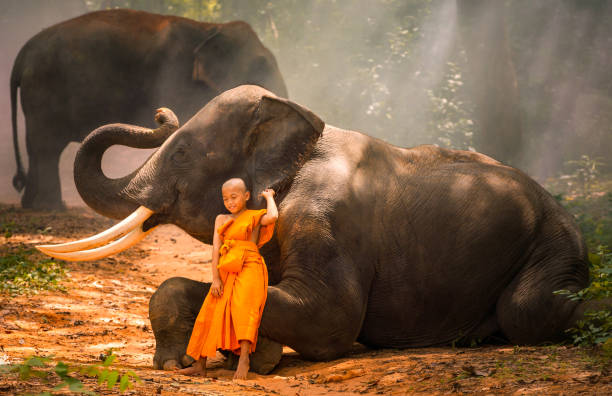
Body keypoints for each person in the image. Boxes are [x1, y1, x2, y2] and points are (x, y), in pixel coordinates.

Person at [178, 178, 278, 380]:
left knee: (244, 310)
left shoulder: (254, 216)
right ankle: (200, 364)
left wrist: (269, 197)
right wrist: (215, 278)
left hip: (249, 266)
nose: (230, 202)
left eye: (234, 197)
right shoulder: (221, 219)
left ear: (246, 196)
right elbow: (216, 249)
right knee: (210, 311)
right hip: (225, 268)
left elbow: (273, 216)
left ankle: (244, 361)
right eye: (225, 199)